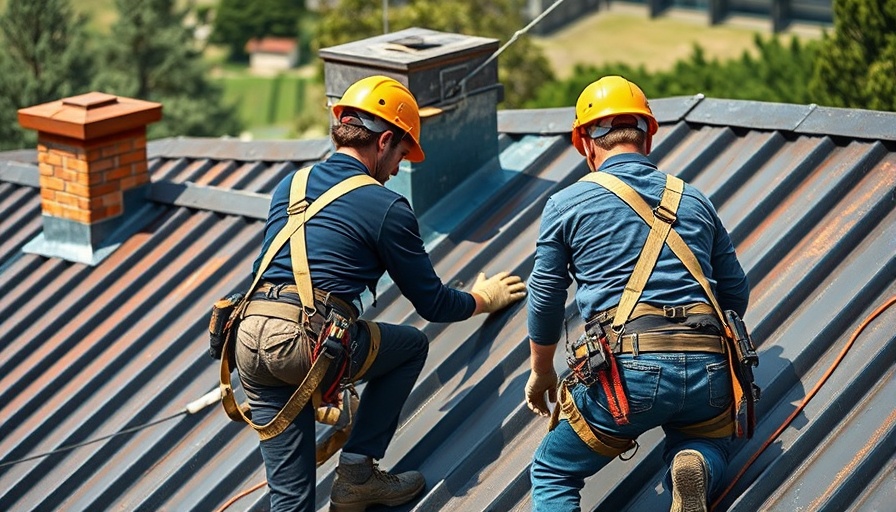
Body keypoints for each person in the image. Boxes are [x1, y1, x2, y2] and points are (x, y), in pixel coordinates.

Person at [234, 75, 527, 512]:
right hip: (305, 344)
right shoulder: (385, 207)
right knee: (410, 345)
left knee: (289, 499)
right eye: (401, 156)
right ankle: (356, 476)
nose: (397, 169)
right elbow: (433, 303)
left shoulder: (290, 185)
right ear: (385, 139)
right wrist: (483, 298)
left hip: (249, 341)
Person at [524, 75, 750, 512]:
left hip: (626, 374)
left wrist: (541, 371)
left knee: (554, 471)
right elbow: (735, 293)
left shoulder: (566, 204)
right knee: (709, 442)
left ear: (586, 144)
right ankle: (694, 460)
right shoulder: (695, 199)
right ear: (647, 139)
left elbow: (545, 298)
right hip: (708, 367)